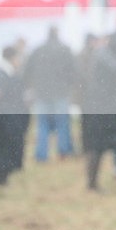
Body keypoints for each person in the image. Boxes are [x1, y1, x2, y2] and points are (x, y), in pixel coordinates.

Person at [84, 29, 116, 191]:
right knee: (96, 148)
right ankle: (92, 184)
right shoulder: (102, 53)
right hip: (100, 110)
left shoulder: (108, 52)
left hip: (113, 108)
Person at [24, 26, 77, 162]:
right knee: (62, 123)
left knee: (42, 124)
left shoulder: (38, 50)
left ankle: (42, 154)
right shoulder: (65, 49)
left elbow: (28, 70)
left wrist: (32, 86)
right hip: (60, 92)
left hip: (42, 92)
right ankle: (63, 151)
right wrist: (69, 85)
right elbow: (73, 71)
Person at [0, 45, 30, 185]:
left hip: (10, 118)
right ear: (12, 58)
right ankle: (2, 177)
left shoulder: (9, 73)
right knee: (3, 147)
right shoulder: (1, 74)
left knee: (8, 147)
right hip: (5, 119)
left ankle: (4, 175)